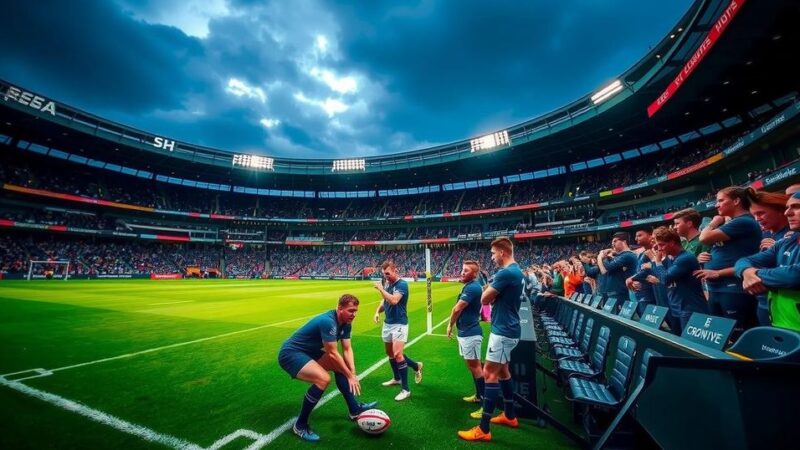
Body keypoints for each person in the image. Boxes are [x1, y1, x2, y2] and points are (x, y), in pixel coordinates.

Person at [278, 294, 377, 442]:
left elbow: (347, 349)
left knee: (340, 367)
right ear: (339, 308)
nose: (354, 314)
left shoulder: (346, 323)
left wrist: (353, 373)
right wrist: (349, 376)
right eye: (351, 310)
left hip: (309, 352)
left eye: (356, 310)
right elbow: (332, 353)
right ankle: (300, 425)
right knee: (323, 379)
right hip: (291, 353)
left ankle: (354, 410)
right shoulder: (328, 322)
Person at [458, 237, 524, 442]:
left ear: (502, 252)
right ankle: (510, 415)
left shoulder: (506, 272)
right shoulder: (516, 271)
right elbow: (490, 295)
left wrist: (490, 294)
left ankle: (483, 429)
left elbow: (484, 299)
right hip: (507, 327)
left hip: (503, 330)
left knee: (489, 373)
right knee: (503, 371)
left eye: (493, 253)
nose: (492, 257)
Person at [695, 186, 762, 340]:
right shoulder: (732, 224)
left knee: (741, 338)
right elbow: (726, 250)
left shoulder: (743, 221)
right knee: (721, 338)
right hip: (717, 288)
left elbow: (704, 238)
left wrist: (713, 222)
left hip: (734, 288)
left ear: (736, 201)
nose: (716, 205)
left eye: (720, 200)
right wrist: (706, 256)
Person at [735, 192, 800, 331]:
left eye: (796, 207)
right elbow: (743, 261)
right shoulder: (786, 242)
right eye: (788, 207)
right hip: (778, 316)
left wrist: (756, 274)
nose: (788, 212)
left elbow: (794, 275)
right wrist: (746, 271)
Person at [637, 227, 709, 332]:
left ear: (671, 243)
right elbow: (655, 272)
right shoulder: (671, 257)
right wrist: (632, 278)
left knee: (689, 346)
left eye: (662, 245)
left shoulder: (685, 258)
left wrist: (656, 261)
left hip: (691, 309)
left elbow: (665, 278)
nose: (659, 249)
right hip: (676, 308)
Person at [373, 261, 422, 401]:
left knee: (398, 354)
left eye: (388, 273)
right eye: (384, 274)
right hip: (388, 323)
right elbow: (384, 302)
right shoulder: (388, 284)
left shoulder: (402, 285)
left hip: (399, 324)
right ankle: (401, 375)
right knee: (390, 353)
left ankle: (406, 389)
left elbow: (394, 300)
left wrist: (380, 289)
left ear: (395, 270)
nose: (386, 276)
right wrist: (377, 312)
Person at [747, 189, 792, 325]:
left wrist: (779, 247)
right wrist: (746, 271)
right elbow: (746, 261)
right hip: (763, 302)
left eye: (761, 213)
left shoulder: (792, 235)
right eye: (754, 215)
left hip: (787, 304)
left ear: (780, 211)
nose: (757, 219)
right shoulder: (764, 234)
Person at [446, 261, 485, 409]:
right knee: (473, 366)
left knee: (476, 367)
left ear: (474, 274)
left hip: (471, 333)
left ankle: (484, 403)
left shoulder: (473, 287)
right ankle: (478, 396)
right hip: (465, 333)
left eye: (466, 271)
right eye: (462, 269)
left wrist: (450, 324)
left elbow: (457, 309)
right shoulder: (470, 286)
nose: (462, 272)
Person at [597, 232, 638, 306]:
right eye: (612, 242)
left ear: (624, 242)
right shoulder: (620, 255)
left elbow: (608, 267)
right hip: (620, 290)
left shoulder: (627, 255)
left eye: (615, 241)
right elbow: (605, 271)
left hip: (626, 290)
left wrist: (602, 257)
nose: (612, 244)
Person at [627, 228, 656, 315]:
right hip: (641, 292)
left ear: (650, 236)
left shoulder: (655, 251)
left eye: (640, 235)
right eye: (636, 236)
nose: (636, 238)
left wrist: (632, 278)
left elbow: (647, 271)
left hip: (650, 293)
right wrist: (635, 279)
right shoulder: (642, 253)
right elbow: (640, 270)